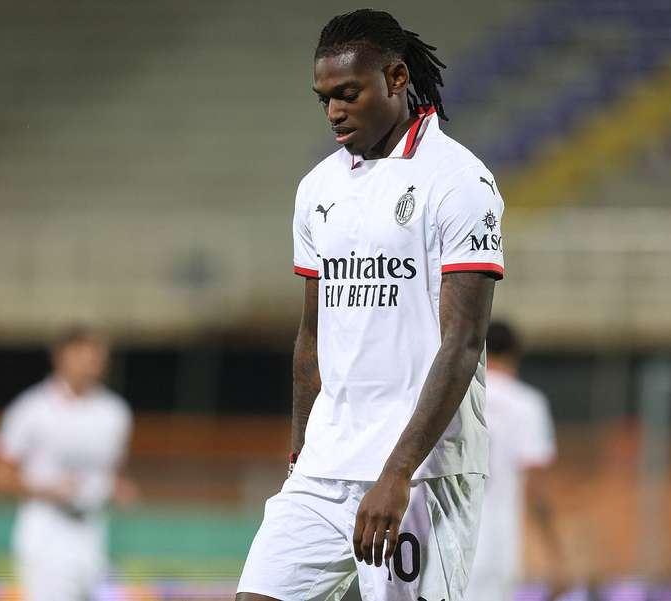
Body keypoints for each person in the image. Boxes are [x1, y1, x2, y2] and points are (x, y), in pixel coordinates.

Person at [236, 9, 506, 601]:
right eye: (324, 98)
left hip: (422, 473)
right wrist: (299, 454)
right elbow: (312, 339)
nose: (334, 110)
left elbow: (462, 342)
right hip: (324, 467)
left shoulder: (459, 182)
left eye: (348, 93)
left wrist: (398, 471)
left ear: (397, 77)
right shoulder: (318, 189)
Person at [0, 325, 137, 601]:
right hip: (46, 529)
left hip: (94, 530)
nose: (90, 364)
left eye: (96, 356)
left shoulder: (114, 413)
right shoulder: (31, 408)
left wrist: (118, 488)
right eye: (82, 355)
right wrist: (48, 490)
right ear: (60, 357)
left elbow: (112, 472)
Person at [464, 321, 565, 601]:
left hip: (450, 542)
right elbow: (536, 489)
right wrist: (555, 555)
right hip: (498, 546)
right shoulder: (527, 405)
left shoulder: (458, 396)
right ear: (516, 353)